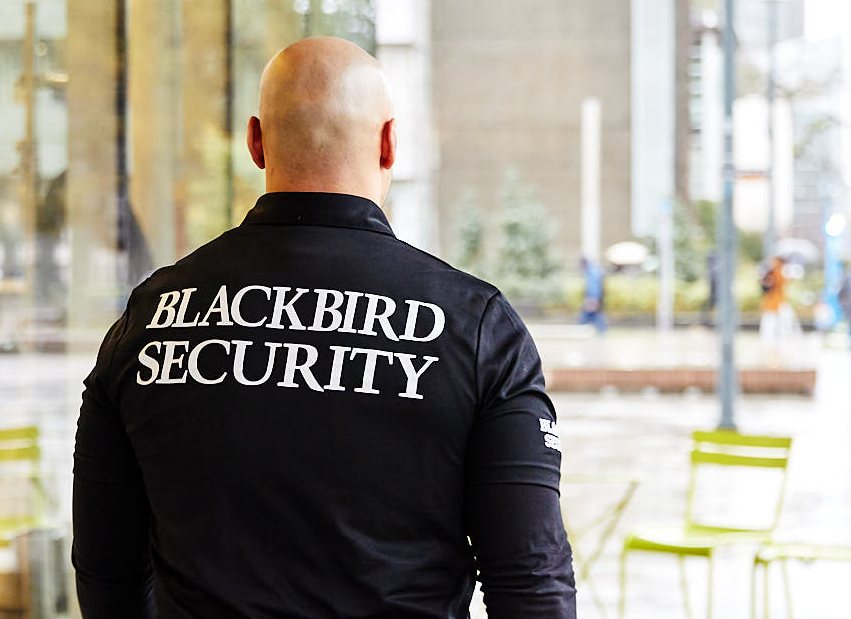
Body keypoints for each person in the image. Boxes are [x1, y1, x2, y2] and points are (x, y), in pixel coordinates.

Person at [72, 37, 576, 619]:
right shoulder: (477, 327)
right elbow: (532, 584)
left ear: (255, 142)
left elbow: (106, 570)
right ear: (389, 144)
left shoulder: (148, 319)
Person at [578, 257, 606, 333]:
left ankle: (601, 333)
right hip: (594, 298)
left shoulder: (592, 272)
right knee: (593, 316)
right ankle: (601, 333)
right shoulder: (593, 270)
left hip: (593, 299)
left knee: (591, 317)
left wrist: (593, 299)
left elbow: (594, 287)